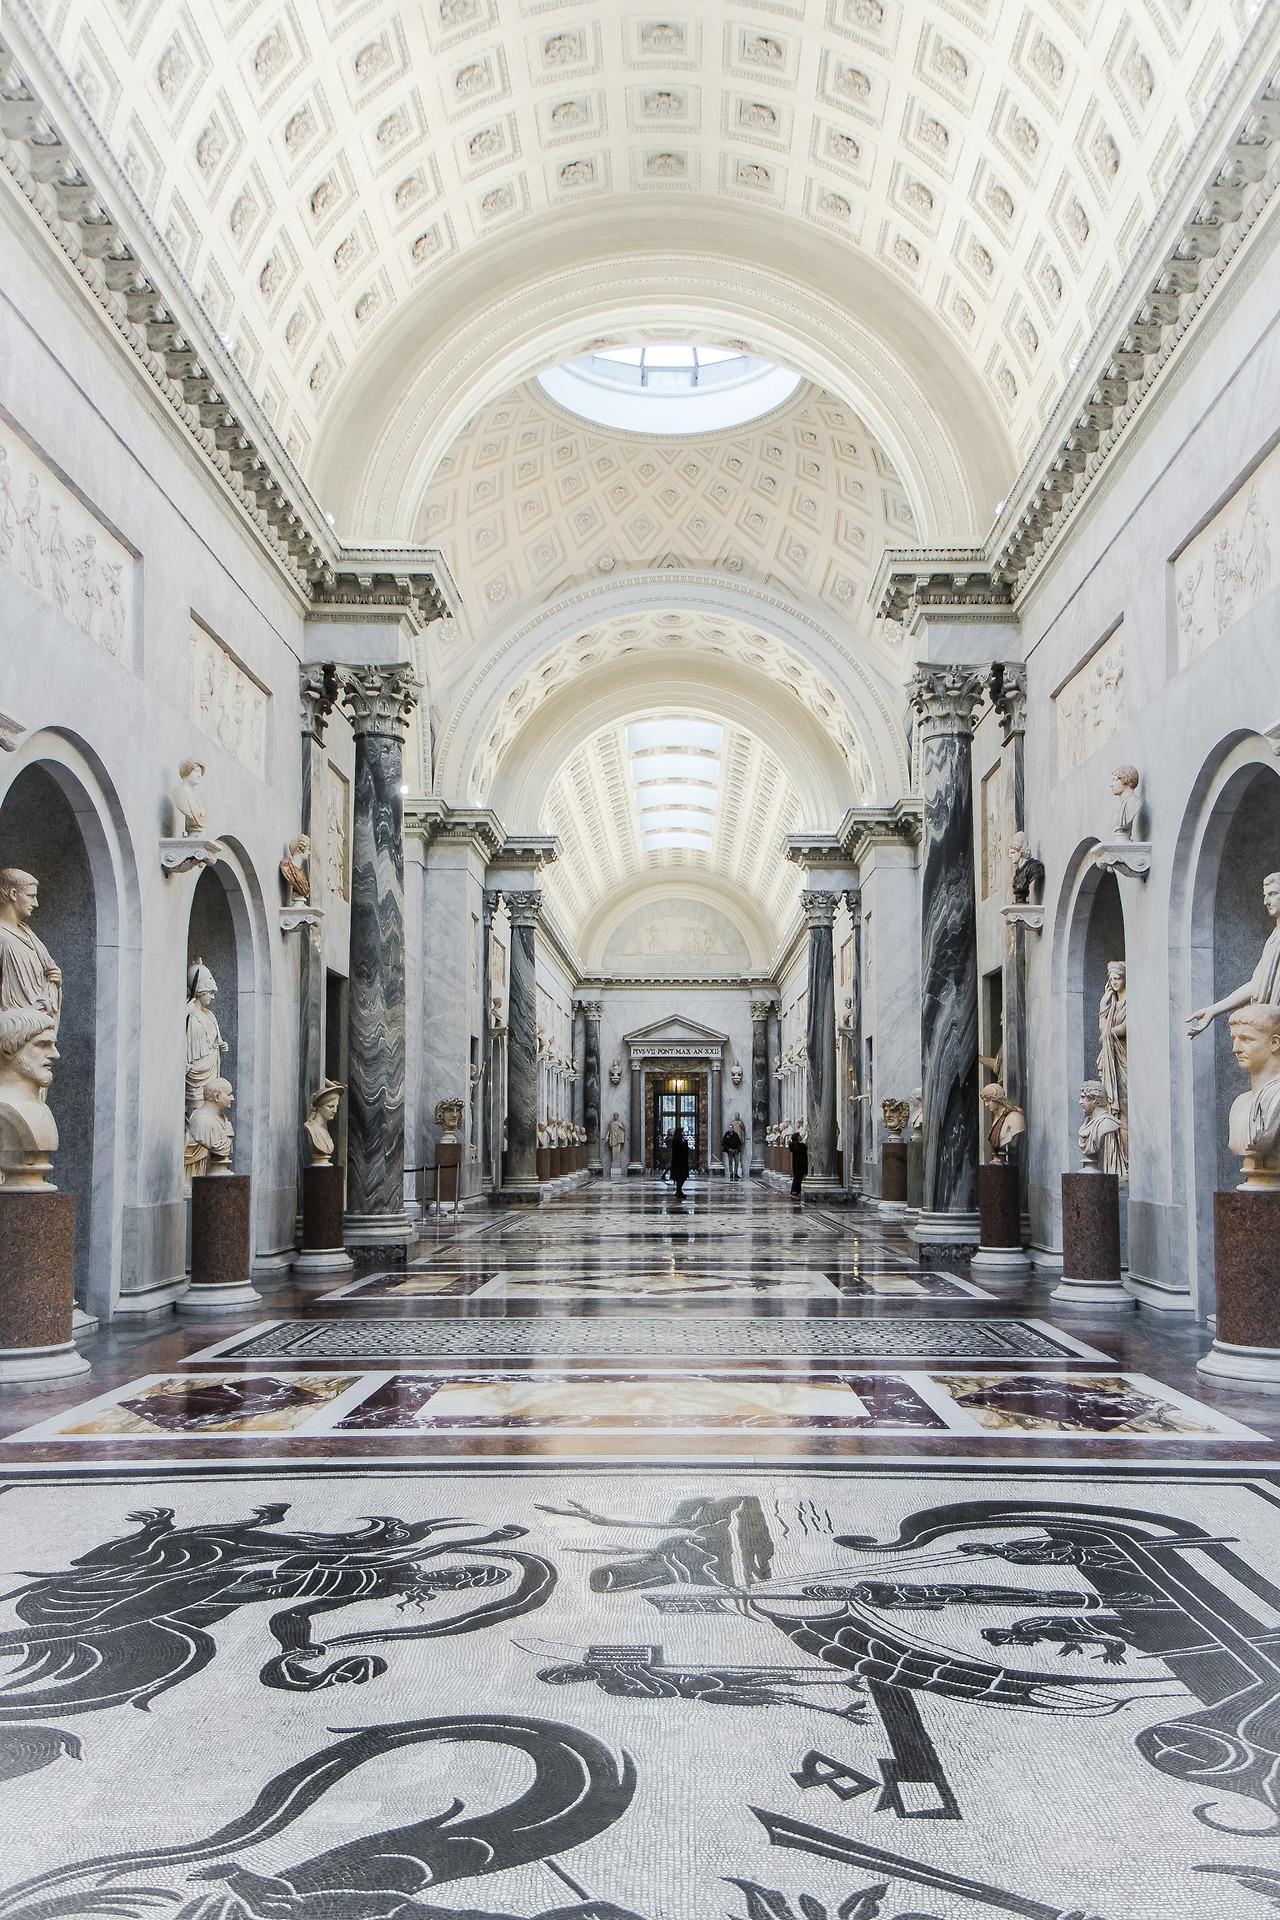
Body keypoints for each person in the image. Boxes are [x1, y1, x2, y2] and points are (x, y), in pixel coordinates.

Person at [669, 1124, 690, 1198]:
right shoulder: (677, 1140)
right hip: (679, 1162)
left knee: (681, 1177)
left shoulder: (679, 1140)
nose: (683, 1133)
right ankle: (679, 1191)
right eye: (682, 1131)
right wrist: (685, 1142)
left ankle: (679, 1191)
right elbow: (682, 1149)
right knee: (680, 1177)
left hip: (681, 1162)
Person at [789, 1127, 808, 1199]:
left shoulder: (800, 1145)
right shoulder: (794, 1145)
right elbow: (800, 1149)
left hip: (801, 1163)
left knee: (799, 1178)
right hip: (798, 1164)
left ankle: (798, 1191)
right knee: (797, 1178)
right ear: (796, 1137)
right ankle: (794, 1190)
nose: (801, 1137)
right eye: (799, 1136)